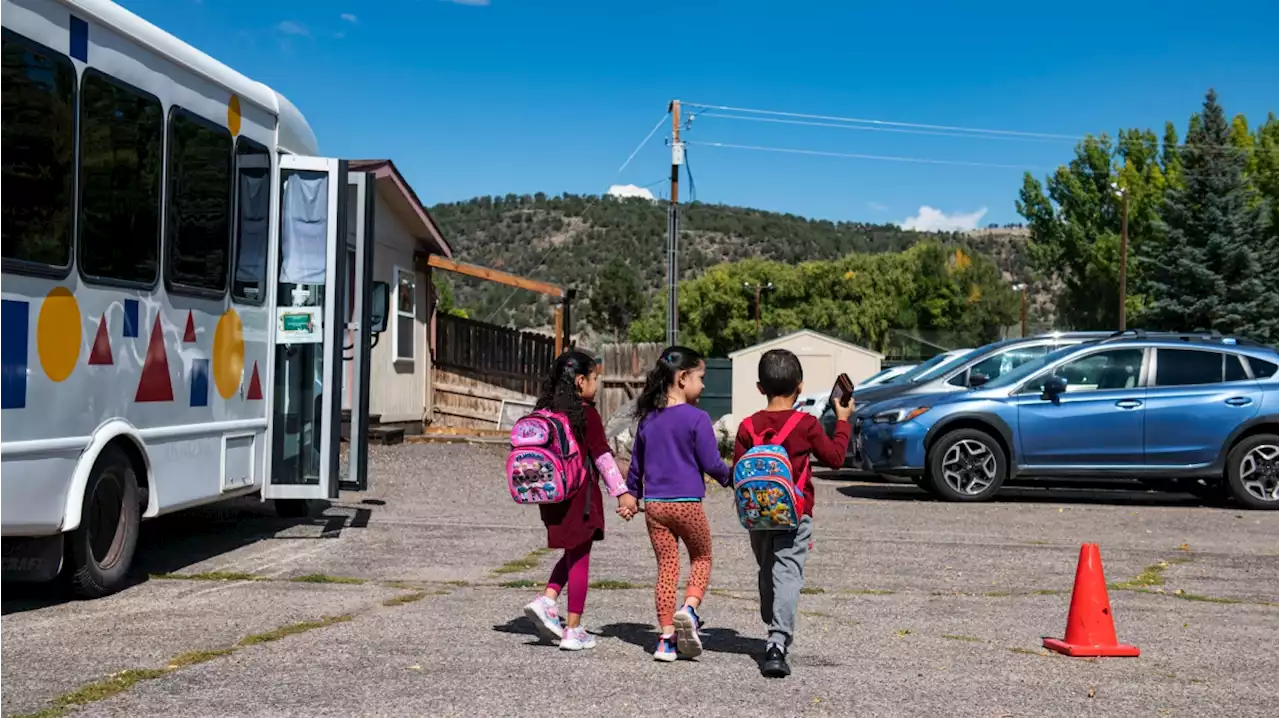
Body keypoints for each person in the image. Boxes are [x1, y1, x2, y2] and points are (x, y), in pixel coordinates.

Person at [734, 349, 853, 678]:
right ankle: (777, 643)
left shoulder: (747, 426)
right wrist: (842, 420)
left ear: (760, 388)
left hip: (756, 515)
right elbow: (835, 458)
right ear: (799, 387)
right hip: (794, 514)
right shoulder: (807, 424)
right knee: (788, 573)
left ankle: (772, 614)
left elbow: (737, 474)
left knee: (767, 568)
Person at [523, 351, 638, 651]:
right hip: (580, 497)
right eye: (595, 378)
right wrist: (622, 492)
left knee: (574, 551)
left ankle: (547, 600)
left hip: (552, 497)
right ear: (580, 380)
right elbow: (602, 456)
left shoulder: (548, 410)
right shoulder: (586, 414)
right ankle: (572, 630)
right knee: (580, 560)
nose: (597, 384)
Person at [626, 346, 732, 662]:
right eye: (701, 377)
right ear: (683, 378)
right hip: (687, 504)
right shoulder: (697, 418)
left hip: (656, 506)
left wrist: (632, 495)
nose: (703, 385)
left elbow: (636, 466)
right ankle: (689, 609)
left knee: (666, 568)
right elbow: (712, 463)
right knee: (702, 556)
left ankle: (666, 639)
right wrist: (732, 478)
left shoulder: (648, 420)